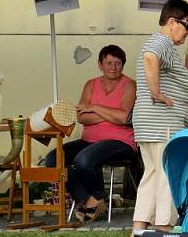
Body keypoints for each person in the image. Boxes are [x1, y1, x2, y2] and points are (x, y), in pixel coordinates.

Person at [130, 0, 188, 237]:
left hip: (148, 123)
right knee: (168, 173)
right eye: (187, 25)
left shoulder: (160, 43)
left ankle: (138, 232)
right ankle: (162, 228)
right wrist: (157, 92)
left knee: (152, 173)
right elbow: (150, 57)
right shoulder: (162, 42)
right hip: (163, 123)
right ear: (172, 22)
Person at [44, 45, 136, 221]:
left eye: (118, 63)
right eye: (108, 63)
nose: (113, 67)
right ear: (100, 64)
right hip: (89, 141)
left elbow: (124, 118)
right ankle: (89, 200)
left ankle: (95, 197)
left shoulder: (129, 85)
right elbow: (81, 117)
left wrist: (94, 107)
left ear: (123, 65)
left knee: (83, 159)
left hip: (120, 141)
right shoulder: (91, 85)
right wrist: (111, 114)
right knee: (53, 159)